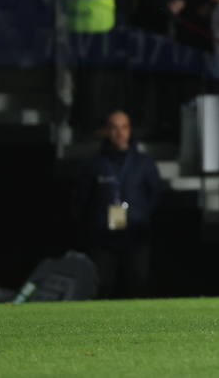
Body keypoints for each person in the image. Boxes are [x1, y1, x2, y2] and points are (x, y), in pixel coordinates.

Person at [77, 110, 164, 299]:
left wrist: (140, 215)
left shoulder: (143, 162)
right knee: (102, 285)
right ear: (106, 131)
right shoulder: (95, 163)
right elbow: (83, 198)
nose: (120, 132)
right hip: (103, 235)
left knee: (139, 283)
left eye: (124, 127)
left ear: (130, 130)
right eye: (114, 127)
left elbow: (155, 193)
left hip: (136, 233)